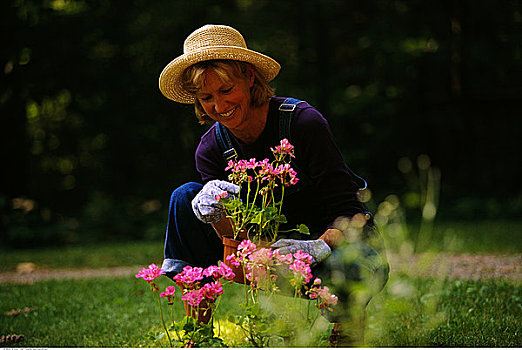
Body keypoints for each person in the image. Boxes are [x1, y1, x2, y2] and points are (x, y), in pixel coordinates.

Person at [158, 24, 389, 346]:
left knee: (354, 266)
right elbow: (235, 246)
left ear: (250, 78)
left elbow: (350, 213)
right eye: (206, 97)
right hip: (262, 256)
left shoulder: (302, 123)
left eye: (226, 90)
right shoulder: (210, 149)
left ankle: (346, 327)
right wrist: (215, 216)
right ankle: (198, 335)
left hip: (330, 249)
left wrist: (317, 246)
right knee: (185, 197)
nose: (218, 107)